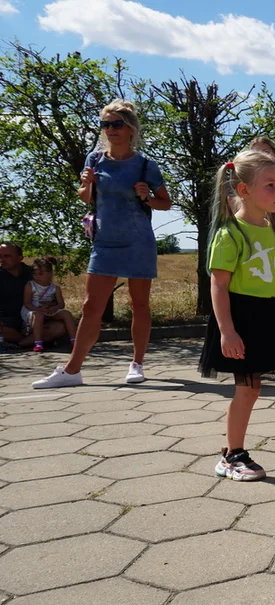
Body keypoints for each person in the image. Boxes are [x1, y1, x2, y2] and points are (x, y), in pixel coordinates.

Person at [198, 150, 275, 480]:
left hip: (273, 311)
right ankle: (232, 455)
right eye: (270, 185)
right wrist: (227, 331)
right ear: (244, 190)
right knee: (249, 388)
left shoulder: (272, 229)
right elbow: (219, 286)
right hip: (242, 315)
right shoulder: (230, 233)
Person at [33, 100, 171, 389]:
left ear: (131, 128)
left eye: (116, 124)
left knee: (139, 305)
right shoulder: (94, 159)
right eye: (105, 125)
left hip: (138, 242)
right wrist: (86, 184)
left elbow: (165, 203)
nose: (110, 130)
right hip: (105, 242)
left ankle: (137, 363)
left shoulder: (146, 164)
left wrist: (147, 197)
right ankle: (72, 370)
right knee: (90, 305)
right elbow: (86, 197)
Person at [0, 242, 66, 348]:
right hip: (8, 322)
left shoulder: (34, 273)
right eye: (0, 256)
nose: (2, 259)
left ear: (19, 258)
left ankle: (23, 342)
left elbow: (54, 297)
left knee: (59, 328)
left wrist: (50, 305)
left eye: (6, 256)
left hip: (35, 318)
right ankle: (30, 341)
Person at [22, 257, 76, 352]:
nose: (36, 276)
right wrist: (39, 309)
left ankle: (74, 340)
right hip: (33, 309)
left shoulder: (55, 288)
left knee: (66, 313)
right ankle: (38, 342)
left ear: (50, 273)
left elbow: (61, 304)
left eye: (40, 274)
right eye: (34, 274)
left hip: (49, 309)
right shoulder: (30, 285)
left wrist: (55, 307)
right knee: (38, 315)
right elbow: (27, 303)